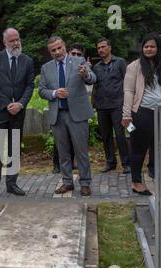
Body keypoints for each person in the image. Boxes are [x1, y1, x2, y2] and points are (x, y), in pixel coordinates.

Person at [122, 32, 161, 195]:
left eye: (152, 46)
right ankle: (136, 182)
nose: (149, 49)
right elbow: (128, 91)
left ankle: (158, 173)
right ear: (142, 48)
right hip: (142, 113)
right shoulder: (134, 66)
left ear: (157, 48)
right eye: (146, 46)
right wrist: (126, 115)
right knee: (138, 148)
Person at [39, 36, 97, 196]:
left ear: (64, 46)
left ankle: (85, 183)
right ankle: (67, 182)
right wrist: (54, 93)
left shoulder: (79, 62)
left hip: (77, 114)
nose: (57, 52)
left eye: (59, 48)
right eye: (53, 50)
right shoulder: (46, 68)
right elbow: (41, 90)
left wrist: (86, 75)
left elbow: (93, 79)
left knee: (81, 151)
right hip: (58, 116)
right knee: (63, 152)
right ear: (50, 52)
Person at [0, 28, 35, 201]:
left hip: (18, 113)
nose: (16, 43)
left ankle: (11, 184)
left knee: (14, 150)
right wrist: (7, 104)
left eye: (17, 39)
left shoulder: (27, 61)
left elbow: (30, 86)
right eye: (12, 41)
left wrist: (20, 104)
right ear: (5, 42)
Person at [92, 38, 130, 174]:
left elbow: (128, 83)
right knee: (106, 136)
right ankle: (110, 162)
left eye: (103, 47)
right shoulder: (96, 67)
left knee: (120, 135)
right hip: (102, 106)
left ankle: (126, 163)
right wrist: (94, 104)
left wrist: (127, 104)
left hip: (118, 105)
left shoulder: (120, 62)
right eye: (98, 48)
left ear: (110, 47)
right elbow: (95, 86)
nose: (101, 50)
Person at [52, 43, 84, 173]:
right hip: (60, 110)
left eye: (79, 54)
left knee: (76, 141)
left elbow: (91, 79)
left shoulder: (81, 66)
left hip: (75, 110)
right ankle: (57, 164)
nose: (76, 56)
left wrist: (86, 73)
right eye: (73, 53)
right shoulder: (55, 66)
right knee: (60, 142)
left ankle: (72, 163)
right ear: (68, 52)